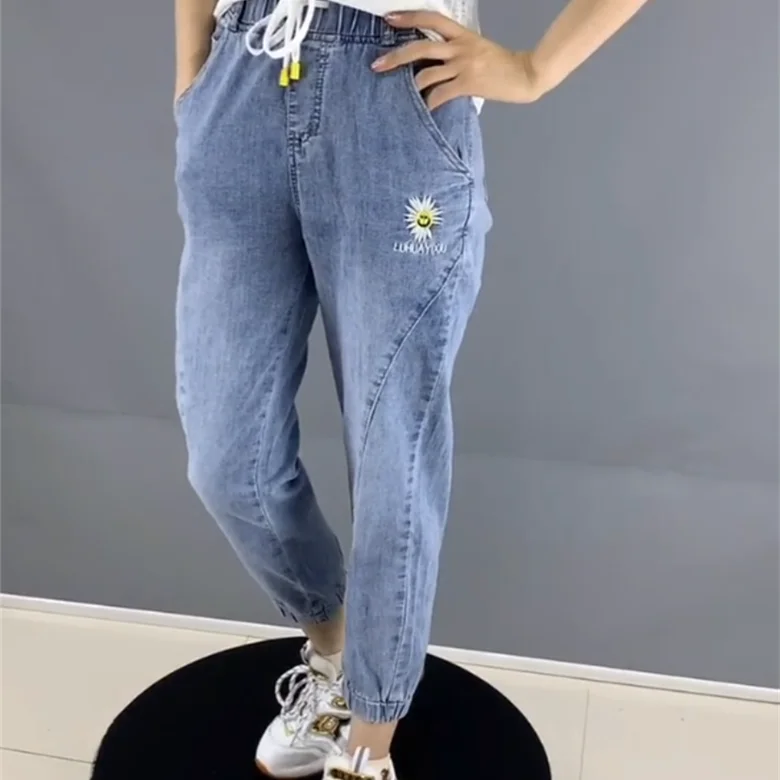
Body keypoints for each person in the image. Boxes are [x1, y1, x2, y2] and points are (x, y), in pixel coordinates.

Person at [173, 0, 648, 777]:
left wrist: (535, 70)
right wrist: (193, 70)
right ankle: (334, 652)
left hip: (392, 90)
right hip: (242, 77)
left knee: (392, 451)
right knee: (227, 461)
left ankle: (369, 740)